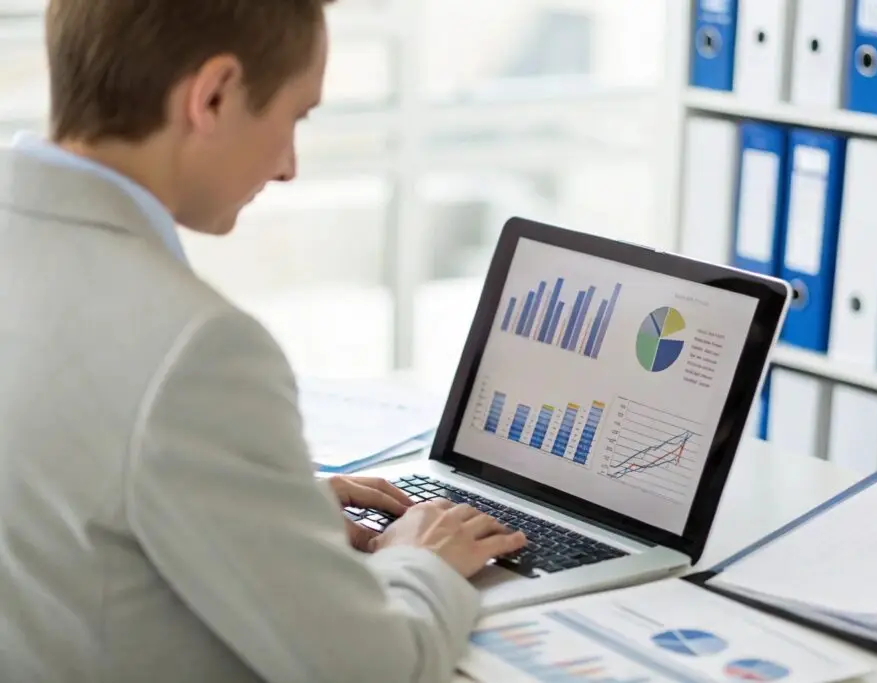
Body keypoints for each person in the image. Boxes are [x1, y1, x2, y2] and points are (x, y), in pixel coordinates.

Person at [0, 1, 527, 682]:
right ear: (214, 95)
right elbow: (370, 668)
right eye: (295, 116)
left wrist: (271, 501)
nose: (288, 166)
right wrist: (419, 556)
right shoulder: (196, 348)